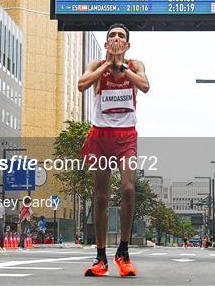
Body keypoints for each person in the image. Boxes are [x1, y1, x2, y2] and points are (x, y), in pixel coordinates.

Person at [79, 23, 149, 277]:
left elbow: (145, 85)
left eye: (121, 36)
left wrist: (121, 67)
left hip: (126, 136)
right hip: (101, 136)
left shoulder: (135, 65)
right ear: (107, 43)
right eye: (112, 36)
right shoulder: (96, 66)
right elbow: (81, 84)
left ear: (127, 45)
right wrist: (108, 65)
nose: (116, 38)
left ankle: (123, 250)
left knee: (129, 188)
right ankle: (100, 257)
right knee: (101, 196)